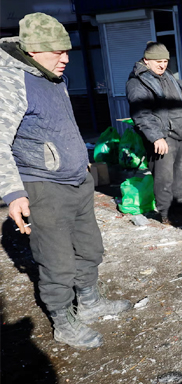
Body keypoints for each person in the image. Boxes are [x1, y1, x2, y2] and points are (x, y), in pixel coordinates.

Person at [0, 13, 131, 349]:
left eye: (67, 50)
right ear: (32, 51)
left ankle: (89, 303)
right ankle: (63, 322)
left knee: (89, 248)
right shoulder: (11, 82)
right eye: (57, 52)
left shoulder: (54, 77)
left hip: (77, 181)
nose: (66, 58)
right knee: (56, 261)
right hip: (43, 188)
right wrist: (13, 193)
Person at [126, 42, 182, 224]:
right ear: (146, 60)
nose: (162, 65)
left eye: (165, 61)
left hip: (179, 133)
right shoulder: (137, 83)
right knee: (164, 177)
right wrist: (156, 137)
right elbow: (141, 114)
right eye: (158, 61)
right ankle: (167, 214)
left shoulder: (168, 76)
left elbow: (178, 98)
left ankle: (180, 206)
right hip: (161, 136)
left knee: (180, 173)